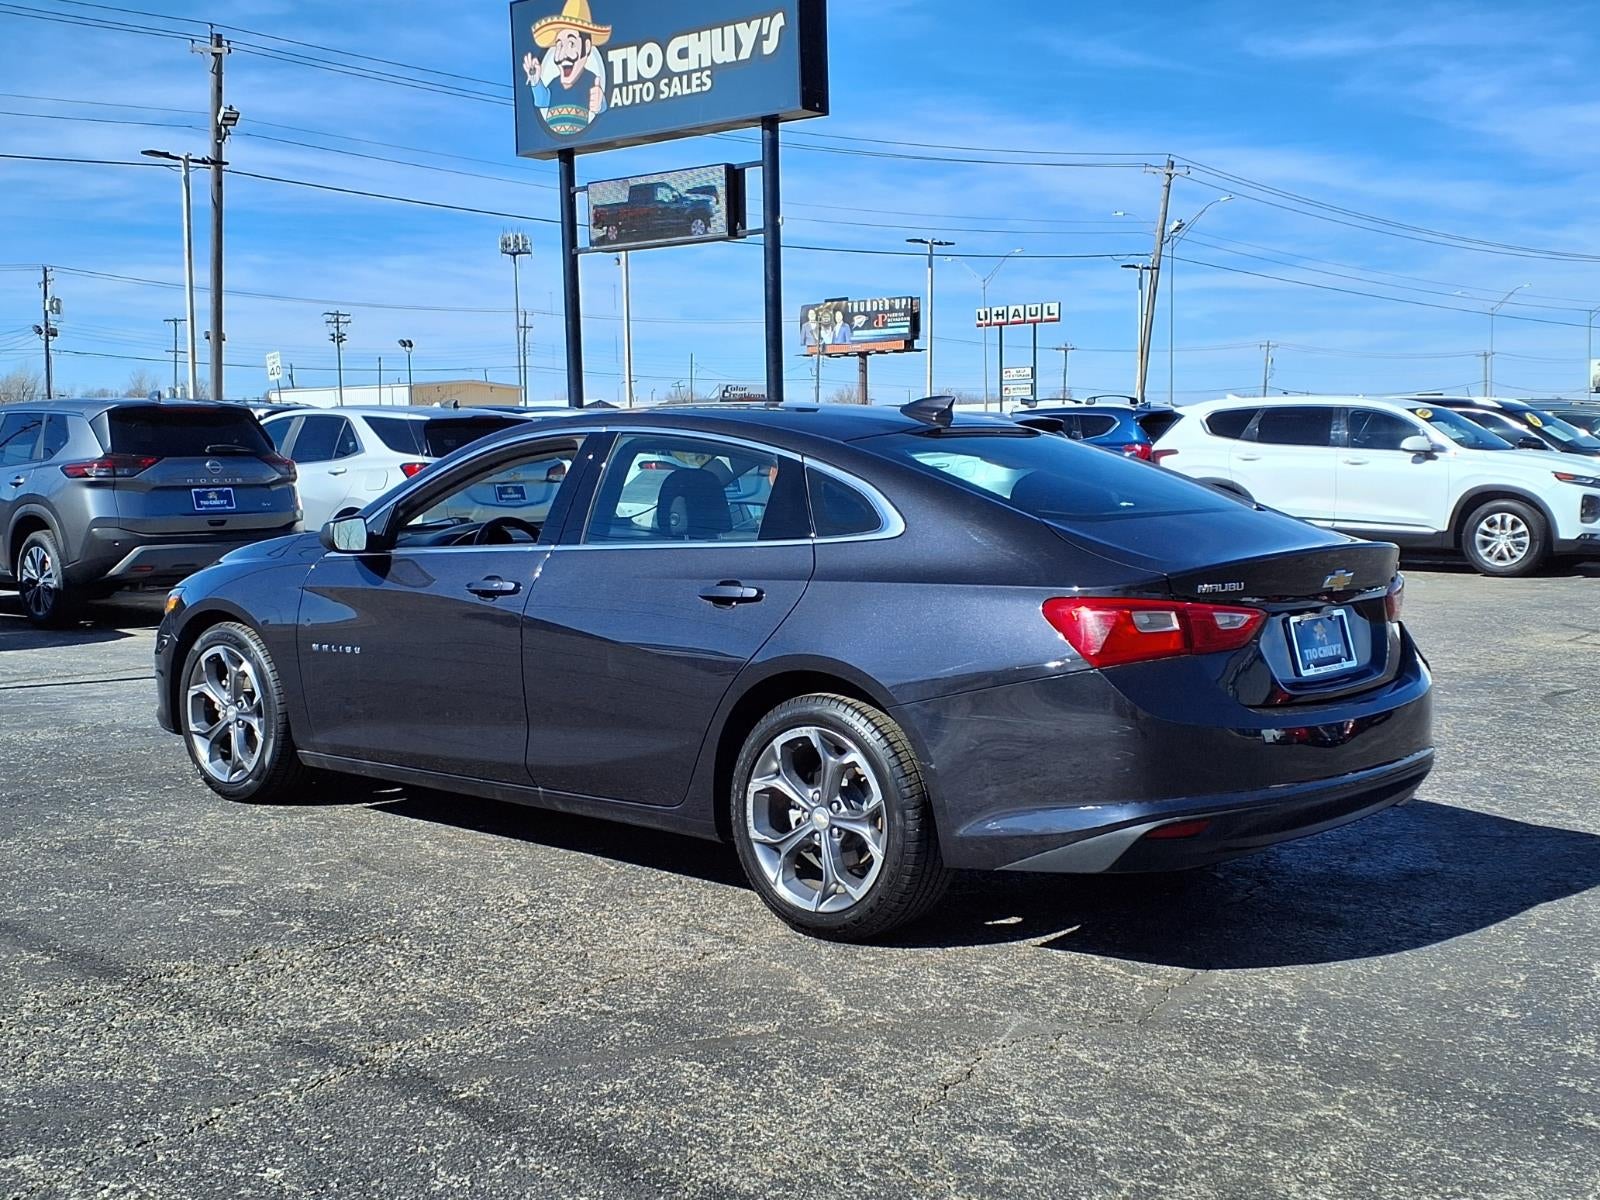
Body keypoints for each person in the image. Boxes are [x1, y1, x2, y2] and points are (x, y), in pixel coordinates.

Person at [522, 0, 610, 139]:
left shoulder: (591, 80)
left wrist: (600, 104)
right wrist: (536, 81)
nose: (562, 55)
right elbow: (542, 101)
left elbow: (601, 106)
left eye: (571, 43)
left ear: (586, 47)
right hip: (555, 139)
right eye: (559, 45)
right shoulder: (554, 83)